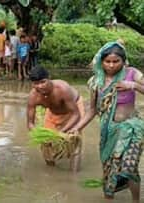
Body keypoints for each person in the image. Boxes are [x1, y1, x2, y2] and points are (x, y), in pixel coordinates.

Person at [69, 42, 144, 202]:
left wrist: (134, 86)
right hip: (109, 131)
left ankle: (136, 200)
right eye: (107, 61)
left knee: (130, 167)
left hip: (132, 129)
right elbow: (92, 110)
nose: (111, 65)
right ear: (101, 62)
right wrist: (77, 128)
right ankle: (111, 194)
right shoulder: (97, 82)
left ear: (123, 61)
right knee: (109, 173)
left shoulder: (132, 73)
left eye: (116, 61)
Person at [26, 66, 85, 172]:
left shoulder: (62, 89)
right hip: (53, 112)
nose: (40, 86)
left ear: (49, 78)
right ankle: (51, 172)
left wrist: (60, 132)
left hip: (73, 110)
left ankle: (73, 175)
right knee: (46, 144)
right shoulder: (33, 96)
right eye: (36, 83)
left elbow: (76, 115)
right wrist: (37, 134)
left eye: (43, 82)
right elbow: (30, 123)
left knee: (74, 141)